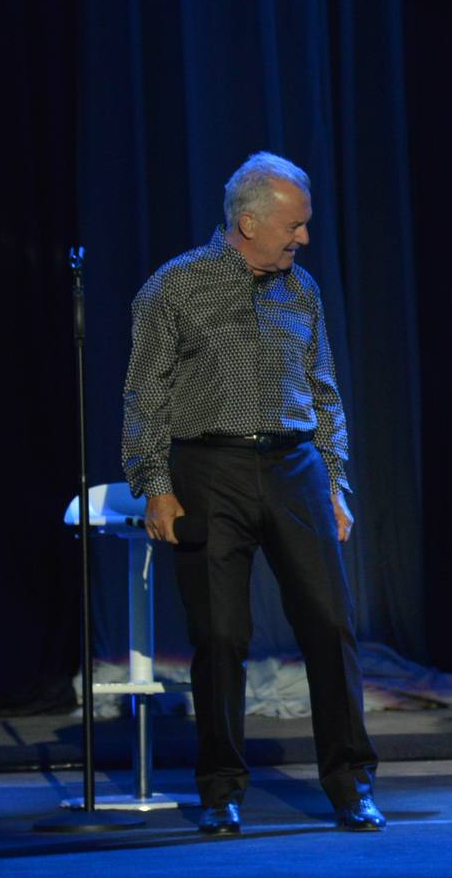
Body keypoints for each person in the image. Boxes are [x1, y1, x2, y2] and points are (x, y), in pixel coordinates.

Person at [122, 152, 384, 833]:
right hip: (209, 471)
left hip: (295, 467)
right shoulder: (172, 289)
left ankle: (352, 781)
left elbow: (324, 393)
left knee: (329, 626)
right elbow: (144, 398)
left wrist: (335, 482)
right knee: (221, 634)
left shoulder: (302, 289)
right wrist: (154, 486)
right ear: (248, 222)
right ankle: (219, 789)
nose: (302, 239)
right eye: (293, 226)